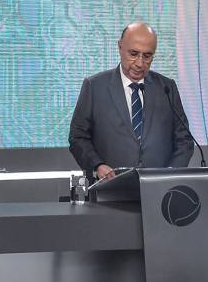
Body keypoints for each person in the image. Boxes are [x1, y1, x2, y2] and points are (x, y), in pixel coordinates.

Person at [69, 22, 193, 180]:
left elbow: (184, 139)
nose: (140, 63)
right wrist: (97, 165)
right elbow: (77, 137)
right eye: (133, 54)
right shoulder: (94, 87)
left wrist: (171, 172)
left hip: (157, 190)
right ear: (120, 47)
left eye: (147, 56)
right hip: (109, 190)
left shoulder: (167, 88)